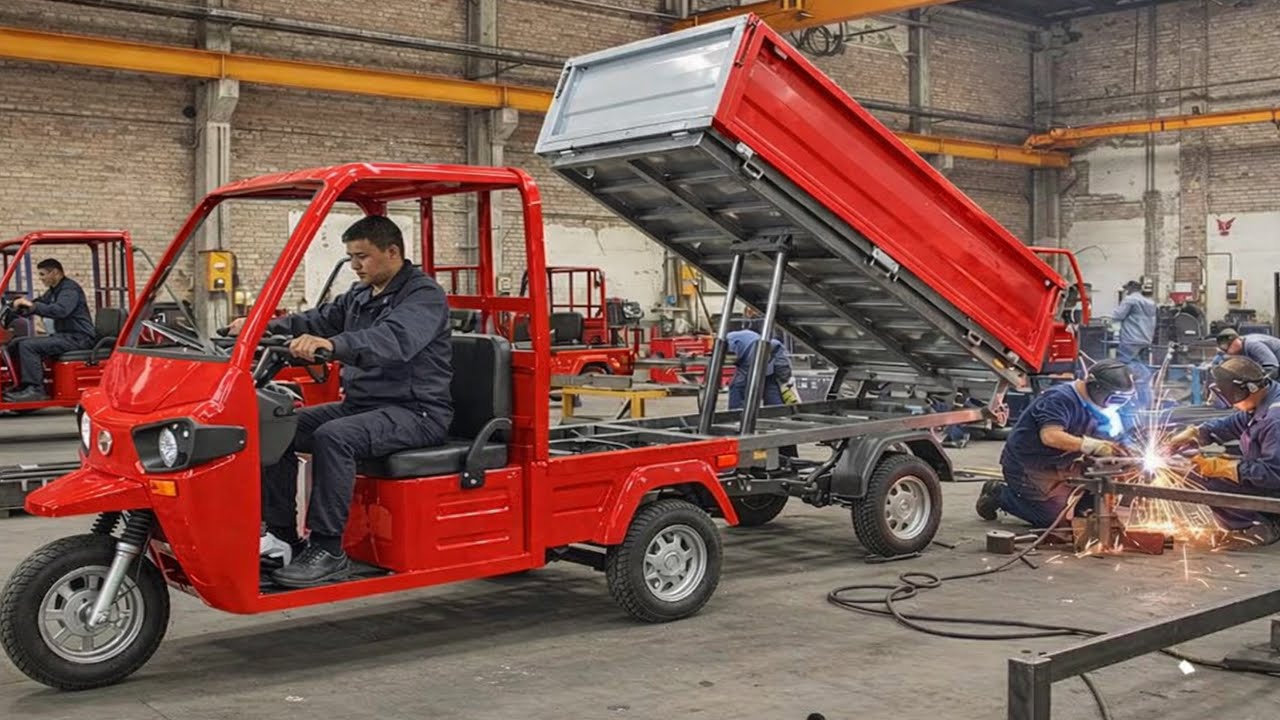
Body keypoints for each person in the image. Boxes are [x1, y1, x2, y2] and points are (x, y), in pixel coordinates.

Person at [234, 216, 453, 588]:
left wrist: (333, 345)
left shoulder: (423, 296)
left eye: (362, 256)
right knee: (276, 427)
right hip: (363, 405)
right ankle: (283, 536)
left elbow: (393, 339)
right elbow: (317, 320)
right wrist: (259, 326)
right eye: (350, 257)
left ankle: (327, 548)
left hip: (416, 411)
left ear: (392, 252)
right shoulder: (360, 294)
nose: (355, 265)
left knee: (334, 437)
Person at [975, 359, 1135, 528]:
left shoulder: (1101, 407)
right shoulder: (1059, 398)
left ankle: (1079, 502)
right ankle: (999, 494)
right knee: (1056, 519)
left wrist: (1127, 451)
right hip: (1029, 466)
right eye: (1115, 399)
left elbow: (1114, 436)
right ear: (1096, 388)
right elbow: (1051, 436)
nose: (1118, 404)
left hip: (1065, 463)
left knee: (1090, 508)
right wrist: (1095, 446)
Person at [1165, 356, 1280, 547]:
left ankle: (1256, 526)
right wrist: (1198, 432)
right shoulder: (1265, 398)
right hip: (1272, 480)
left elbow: (1274, 474)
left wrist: (1226, 468)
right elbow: (1231, 424)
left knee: (1203, 477)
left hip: (1275, 484)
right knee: (1212, 468)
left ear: (1249, 389)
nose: (1232, 405)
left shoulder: (1275, 419)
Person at [3, 259, 95, 402]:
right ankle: (23, 386)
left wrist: (33, 307)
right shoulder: (54, 291)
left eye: (43, 274)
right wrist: (16, 309)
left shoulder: (69, 290)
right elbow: (38, 304)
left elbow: (61, 310)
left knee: (28, 346)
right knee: (15, 343)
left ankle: (36, 390)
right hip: (64, 336)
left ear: (55, 272)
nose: (41, 278)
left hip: (79, 338)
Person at [1112, 280, 1156, 414]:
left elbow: (1117, 315)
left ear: (1130, 289)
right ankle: (1146, 403)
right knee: (1143, 372)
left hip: (1130, 339)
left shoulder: (1130, 300)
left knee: (1123, 370)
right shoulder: (1150, 302)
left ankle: (1127, 404)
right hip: (1145, 340)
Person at [726, 328, 791, 410]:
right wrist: (784, 380)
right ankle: (776, 411)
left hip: (752, 351)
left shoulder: (732, 341)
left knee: (739, 387)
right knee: (770, 388)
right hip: (754, 350)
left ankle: (737, 412)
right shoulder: (772, 348)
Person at [1215, 328, 1280, 379]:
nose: (1227, 350)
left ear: (1237, 339)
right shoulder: (1231, 351)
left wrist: (1257, 382)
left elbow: (1272, 369)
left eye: (1227, 345)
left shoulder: (1253, 345)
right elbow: (1216, 364)